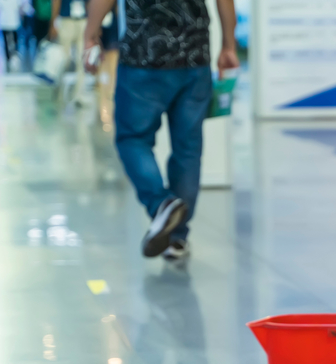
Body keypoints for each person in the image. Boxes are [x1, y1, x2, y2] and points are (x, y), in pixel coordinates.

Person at [83, 0, 239, 260]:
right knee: (187, 149)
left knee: (132, 139)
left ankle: (161, 203)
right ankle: (177, 238)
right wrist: (228, 45)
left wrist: (90, 34)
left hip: (143, 59)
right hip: (195, 58)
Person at [50, 0, 88, 104]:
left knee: (82, 59)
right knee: (63, 59)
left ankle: (79, 94)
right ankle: (58, 92)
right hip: (66, 20)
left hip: (83, 19)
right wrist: (53, 21)